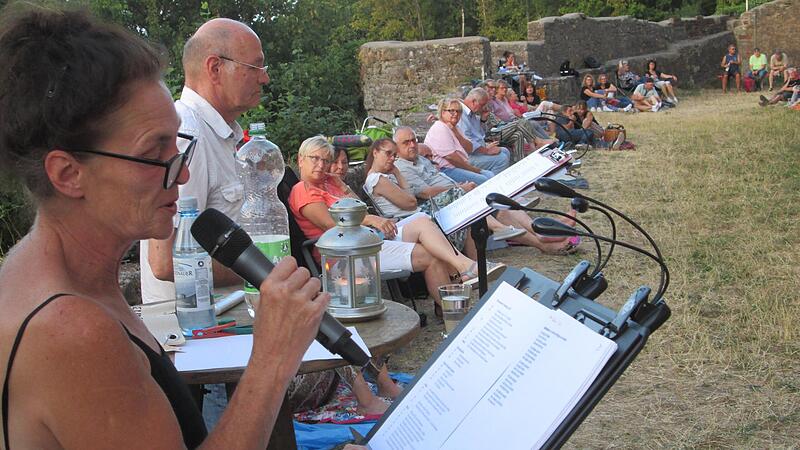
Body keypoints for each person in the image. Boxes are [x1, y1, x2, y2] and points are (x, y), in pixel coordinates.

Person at [0, 5, 366, 449]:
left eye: (178, 146)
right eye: (155, 152)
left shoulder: (71, 280)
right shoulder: (71, 330)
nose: (183, 175)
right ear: (68, 173)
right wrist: (272, 359)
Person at [140, 18, 270, 303]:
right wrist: (264, 270)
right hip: (197, 330)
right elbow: (165, 262)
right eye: (256, 67)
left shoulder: (219, 134)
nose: (264, 78)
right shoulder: (187, 135)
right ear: (215, 68)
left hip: (221, 318)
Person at [288, 136, 505, 307]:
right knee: (428, 254)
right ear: (300, 159)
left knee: (422, 221)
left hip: (367, 239)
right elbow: (332, 226)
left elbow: (358, 207)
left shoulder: (329, 183)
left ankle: (465, 269)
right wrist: (372, 219)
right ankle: (455, 306)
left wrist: (342, 186)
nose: (321, 165)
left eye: (325, 160)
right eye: (314, 159)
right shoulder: (303, 191)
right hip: (347, 255)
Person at [394, 127, 580, 255]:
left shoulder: (420, 160)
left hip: (454, 195)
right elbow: (426, 193)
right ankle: (541, 241)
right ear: (396, 148)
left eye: (413, 141)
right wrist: (459, 188)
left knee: (498, 199)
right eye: (406, 143)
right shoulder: (403, 167)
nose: (412, 145)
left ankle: (539, 231)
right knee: (490, 203)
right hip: (444, 208)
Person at [425, 96, 496, 185]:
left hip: (458, 165)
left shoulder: (455, 127)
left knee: (490, 175)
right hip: (445, 170)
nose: (456, 114)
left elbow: (469, 148)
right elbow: (452, 158)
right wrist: (475, 170)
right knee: (485, 180)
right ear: (443, 112)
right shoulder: (440, 128)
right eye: (451, 111)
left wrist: (456, 133)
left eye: (459, 111)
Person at [456, 87, 512, 174]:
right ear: (474, 102)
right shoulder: (461, 114)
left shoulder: (471, 113)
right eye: (482, 105)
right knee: (502, 159)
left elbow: (479, 135)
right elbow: (466, 142)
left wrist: (483, 119)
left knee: (505, 151)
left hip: (476, 150)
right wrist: (485, 150)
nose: (483, 108)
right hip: (467, 155)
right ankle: (493, 184)